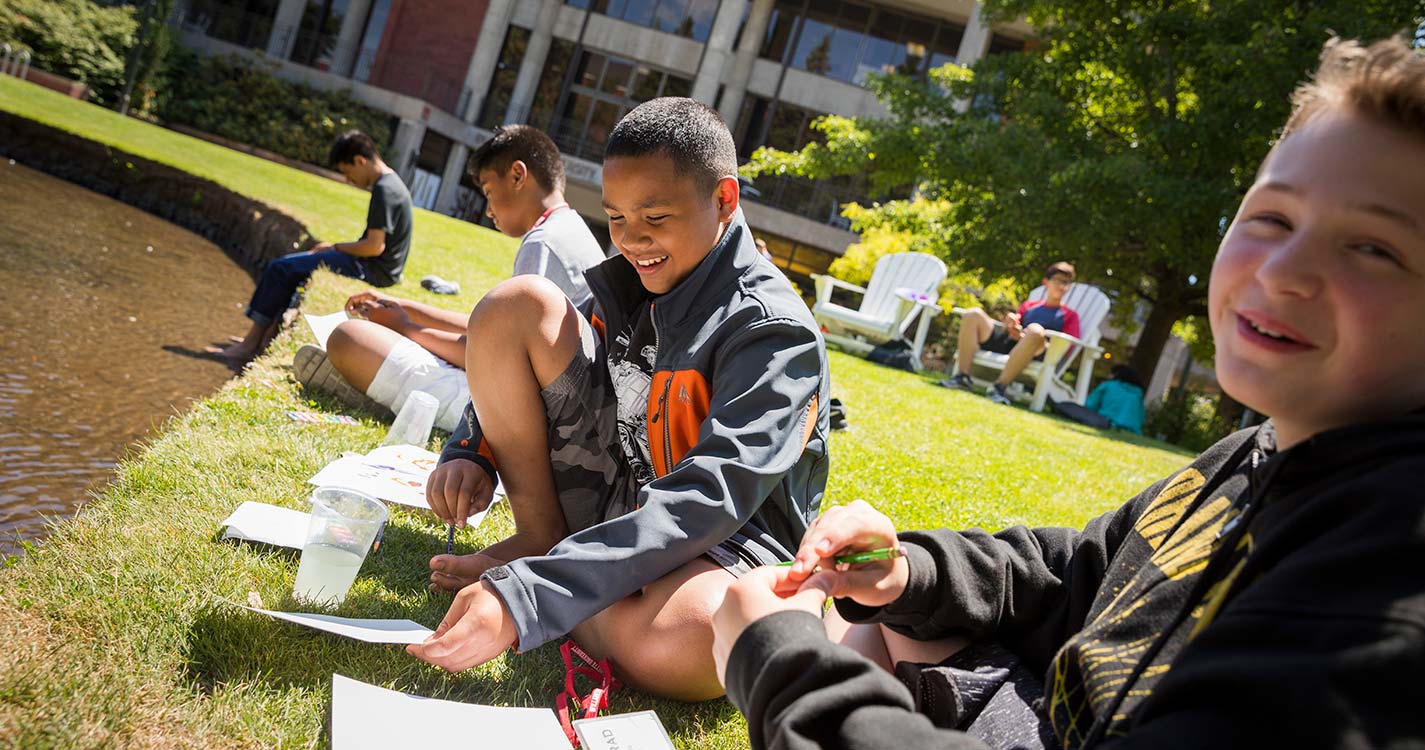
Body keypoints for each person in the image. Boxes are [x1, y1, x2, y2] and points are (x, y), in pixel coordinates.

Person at [711, 35, 1425, 748]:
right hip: (1038, 715)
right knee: (875, 616)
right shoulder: (1254, 453)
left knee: (782, 633)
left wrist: (783, 667)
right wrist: (906, 570)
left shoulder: (1384, 593)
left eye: (1372, 248)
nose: (1282, 270)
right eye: (1272, 218)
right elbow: (1072, 575)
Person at [404, 98, 829, 702]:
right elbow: (531, 356)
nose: (632, 240)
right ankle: (547, 547)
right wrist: (472, 449)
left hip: (722, 540)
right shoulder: (636, 277)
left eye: (654, 217)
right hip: (620, 497)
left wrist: (532, 597)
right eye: (616, 218)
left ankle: (554, 576)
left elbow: (712, 496)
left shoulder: (772, 332)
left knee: (699, 637)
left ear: (724, 200)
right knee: (515, 305)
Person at [296, 125, 605, 429]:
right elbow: (489, 329)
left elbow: (494, 359)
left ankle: (364, 383)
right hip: (553, 401)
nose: (487, 210)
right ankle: (366, 375)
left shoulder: (542, 244)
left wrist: (406, 328)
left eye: (488, 192)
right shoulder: (568, 228)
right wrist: (405, 309)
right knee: (374, 339)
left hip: (529, 417)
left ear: (517, 176)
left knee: (349, 338)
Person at [213, 131, 412, 364]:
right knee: (293, 269)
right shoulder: (394, 182)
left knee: (281, 268)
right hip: (379, 268)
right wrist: (333, 248)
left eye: (348, 173)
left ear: (360, 160)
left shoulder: (384, 190)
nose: (349, 181)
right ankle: (259, 340)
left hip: (372, 270)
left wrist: (336, 247)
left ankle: (249, 345)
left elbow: (374, 246)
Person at [943, 262, 1080, 405]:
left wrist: (1031, 337)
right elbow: (1015, 322)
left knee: (1035, 330)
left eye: (1066, 282)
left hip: (1037, 351)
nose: (1061, 286)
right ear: (1046, 282)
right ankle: (962, 377)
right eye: (1058, 280)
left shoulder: (1070, 316)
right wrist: (1011, 323)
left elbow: (1066, 346)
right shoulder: (1029, 306)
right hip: (1010, 343)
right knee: (973, 314)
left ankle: (999, 387)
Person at [1050, 364, 1146, 435]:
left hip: (1107, 423)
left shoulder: (1108, 386)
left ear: (1115, 374)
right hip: (1134, 431)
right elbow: (1141, 418)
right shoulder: (1138, 394)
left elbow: (1090, 405)